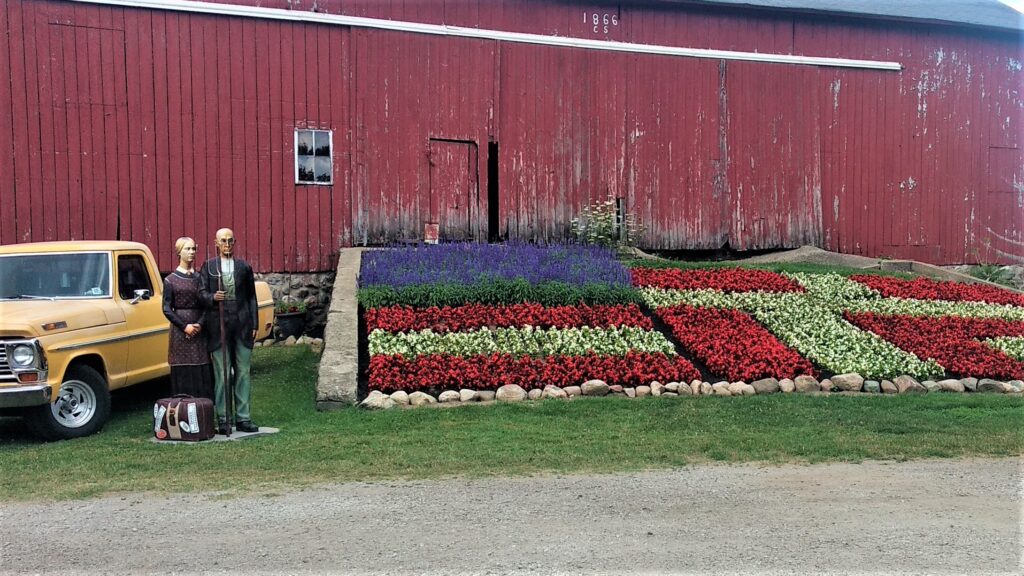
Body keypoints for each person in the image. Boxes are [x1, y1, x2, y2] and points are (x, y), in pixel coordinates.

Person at [198, 228, 259, 434]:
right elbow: (201, 293)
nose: (227, 244)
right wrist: (213, 297)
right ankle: (223, 418)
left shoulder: (243, 267)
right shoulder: (209, 267)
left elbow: (251, 297)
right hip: (218, 324)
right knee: (222, 373)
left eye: (230, 241)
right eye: (223, 241)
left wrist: (255, 323)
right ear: (216, 243)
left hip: (241, 323)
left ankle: (243, 418)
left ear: (235, 242)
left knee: (242, 372)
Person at [162, 237, 214, 399]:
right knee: (182, 368)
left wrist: (199, 324)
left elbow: (207, 304)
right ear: (179, 252)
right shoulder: (170, 280)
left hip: (200, 329)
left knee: (202, 367)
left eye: (193, 249)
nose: (191, 252)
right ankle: (183, 412)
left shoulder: (200, 278)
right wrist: (185, 327)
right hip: (180, 332)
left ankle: (203, 413)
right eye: (187, 249)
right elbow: (166, 308)